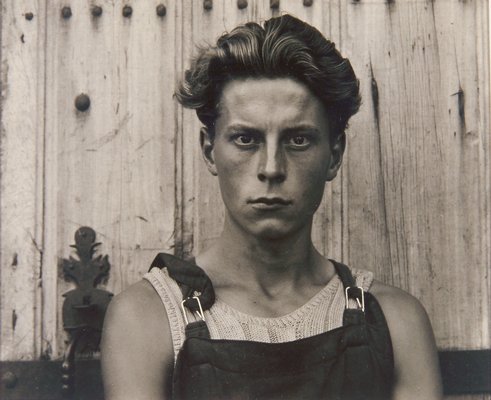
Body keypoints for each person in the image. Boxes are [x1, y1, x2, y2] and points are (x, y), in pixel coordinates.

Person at [101, 14, 442, 400]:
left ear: (334, 155)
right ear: (209, 150)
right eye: (246, 139)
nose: (271, 169)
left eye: (298, 140)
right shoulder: (149, 318)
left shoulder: (396, 321)